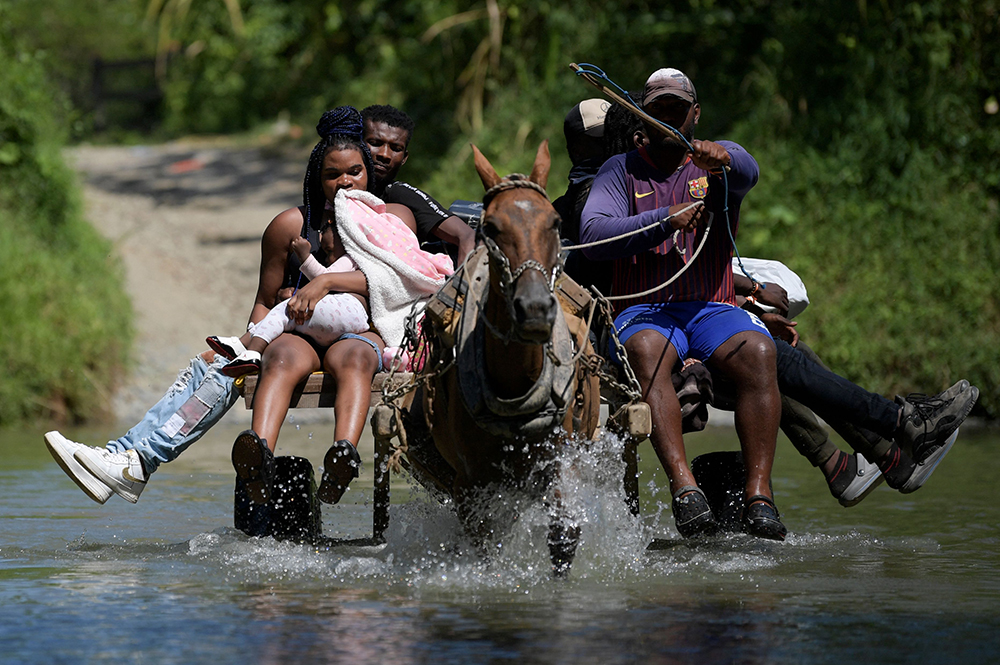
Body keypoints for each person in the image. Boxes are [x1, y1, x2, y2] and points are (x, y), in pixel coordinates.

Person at [45, 104, 459, 505]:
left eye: (355, 172)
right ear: (318, 177)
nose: (345, 183)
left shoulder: (389, 218)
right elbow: (265, 301)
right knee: (225, 364)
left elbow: (397, 280)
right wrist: (253, 343)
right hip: (296, 335)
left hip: (361, 333)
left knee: (337, 356)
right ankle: (133, 457)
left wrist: (326, 284)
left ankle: (134, 462)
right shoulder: (290, 226)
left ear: (369, 174)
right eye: (333, 175)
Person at [579, 67, 787, 540]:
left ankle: (760, 495)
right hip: (645, 310)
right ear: (642, 118)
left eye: (678, 109)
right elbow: (592, 235)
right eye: (659, 111)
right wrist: (664, 220)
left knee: (759, 352)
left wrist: (725, 155)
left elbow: (749, 169)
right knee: (649, 349)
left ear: (695, 115)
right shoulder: (620, 170)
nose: (669, 117)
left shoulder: (718, 165)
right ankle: (685, 489)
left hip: (710, 308)